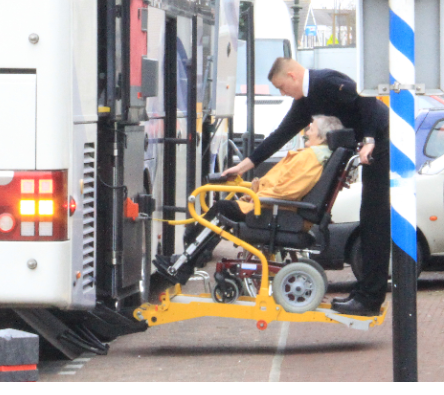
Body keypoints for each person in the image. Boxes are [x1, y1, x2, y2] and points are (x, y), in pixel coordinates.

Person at [224, 57, 389, 316]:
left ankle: (369, 300)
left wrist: (368, 140)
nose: (282, 93)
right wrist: (242, 167)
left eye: (282, 87)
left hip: (382, 141)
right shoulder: (305, 103)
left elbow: (365, 96)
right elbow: (280, 135)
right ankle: (365, 294)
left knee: (375, 221)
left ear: (292, 75)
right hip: (370, 147)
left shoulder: (325, 81)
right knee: (370, 220)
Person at [153, 115, 343, 285]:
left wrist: (256, 198)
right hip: (277, 208)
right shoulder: (314, 157)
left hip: (277, 211)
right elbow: (285, 187)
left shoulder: (311, 158)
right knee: (222, 211)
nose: (307, 131)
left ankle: (183, 263)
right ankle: (187, 258)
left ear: (321, 137)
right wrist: (255, 194)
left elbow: (289, 190)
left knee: (221, 209)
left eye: (311, 129)